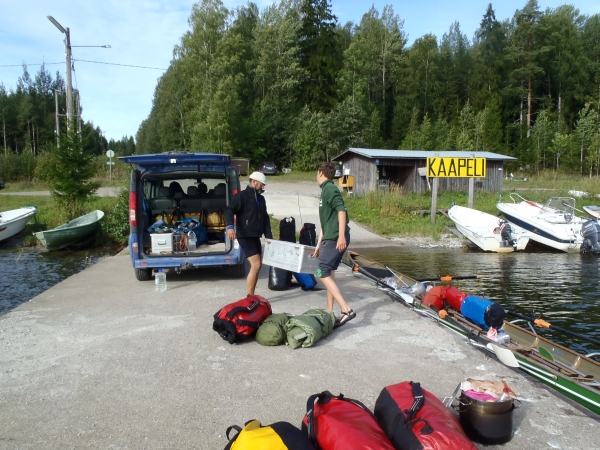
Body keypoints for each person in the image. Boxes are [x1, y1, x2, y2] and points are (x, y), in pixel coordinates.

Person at [313, 162, 355, 327]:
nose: (316, 176)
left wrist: (342, 235)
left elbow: (341, 210)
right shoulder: (325, 191)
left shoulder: (330, 189)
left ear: (321, 173)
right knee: (328, 272)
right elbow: (325, 223)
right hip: (329, 237)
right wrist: (318, 245)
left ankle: (346, 309)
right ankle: (329, 310)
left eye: (317, 173)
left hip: (336, 237)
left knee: (321, 271)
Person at [225, 171, 273, 296]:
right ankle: (250, 296)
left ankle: (252, 295)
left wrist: (269, 238)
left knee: (258, 266)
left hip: (255, 235)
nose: (263, 187)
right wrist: (230, 227)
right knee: (256, 264)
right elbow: (229, 210)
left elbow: (265, 218)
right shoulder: (241, 196)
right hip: (244, 235)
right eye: (261, 184)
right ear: (254, 182)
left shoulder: (261, 199)